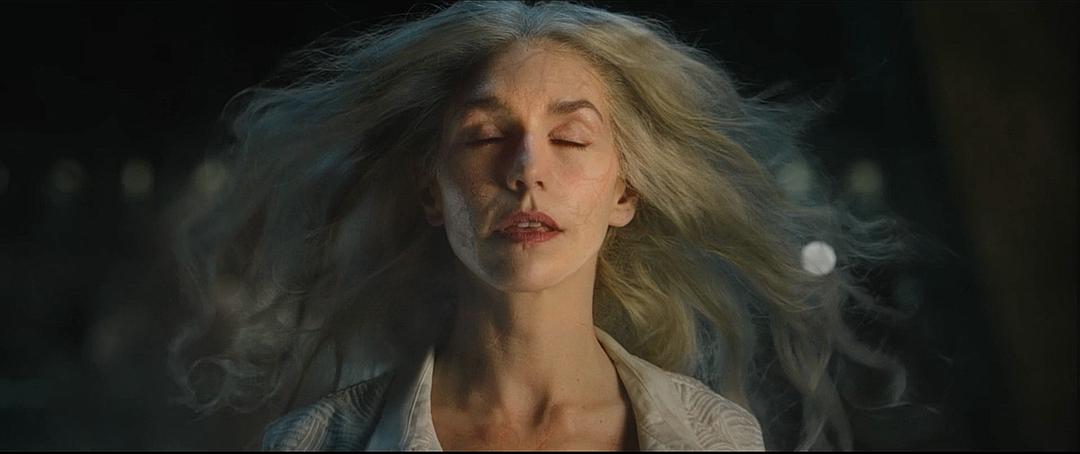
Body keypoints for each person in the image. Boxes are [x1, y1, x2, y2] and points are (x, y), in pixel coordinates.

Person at [169, 1, 906, 450]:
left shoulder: (717, 438)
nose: (526, 170)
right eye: (487, 136)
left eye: (572, 139)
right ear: (431, 191)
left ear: (626, 192)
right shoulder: (314, 443)